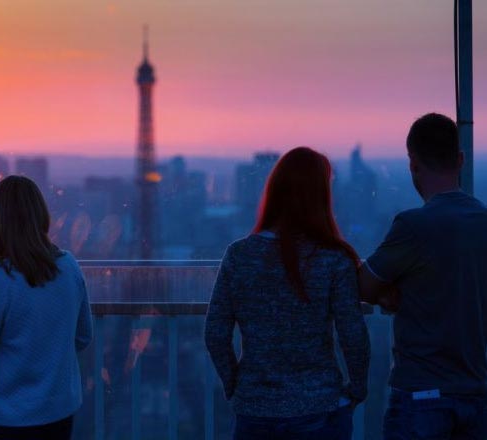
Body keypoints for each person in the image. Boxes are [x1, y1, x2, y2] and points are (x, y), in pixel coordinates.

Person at [205, 147, 370, 440]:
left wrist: (236, 387)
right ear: (320, 197)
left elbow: (216, 334)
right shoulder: (333, 258)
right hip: (319, 407)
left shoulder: (239, 254)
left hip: (256, 410)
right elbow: (352, 333)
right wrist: (357, 388)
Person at [359, 113, 487, 439]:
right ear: (460, 160)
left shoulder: (413, 226)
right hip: (479, 395)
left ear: (413, 165)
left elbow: (363, 285)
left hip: (422, 396)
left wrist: (392, 290)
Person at [0, 175, 93, 440]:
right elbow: (83, 336)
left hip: (6, 420)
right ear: (40, 215)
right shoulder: (68, 266)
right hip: (59, 412)